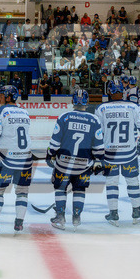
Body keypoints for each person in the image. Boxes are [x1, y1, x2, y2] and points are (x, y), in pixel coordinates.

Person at [94, 80, 140, 225]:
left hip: (109, 154)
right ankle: (137, 211)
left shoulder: (101, 108)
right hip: (129, 153)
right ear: (122, 91)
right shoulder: (133, 107)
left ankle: (113, 214)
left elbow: (97, 133)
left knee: (111, 182)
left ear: (109, 92)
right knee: (132, 181)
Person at [47, 88, 105, 230]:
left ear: (73, 100)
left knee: (60, 188)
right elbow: (99, 146)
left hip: (63, 163)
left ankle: (60, 217)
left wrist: (50, 154)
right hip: (84, 164)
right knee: (79, 189)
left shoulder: (64, 117)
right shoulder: (94, 120)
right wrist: (98, 160)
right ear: (87, 102)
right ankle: (77, 217)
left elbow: (55, 142)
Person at [0, 85, 33, 234]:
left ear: (8, 97)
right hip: (25, 158)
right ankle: (19, 223)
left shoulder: (0, 112)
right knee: (22, 192)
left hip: (6, 159)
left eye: (1, 96)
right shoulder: (25, 112)